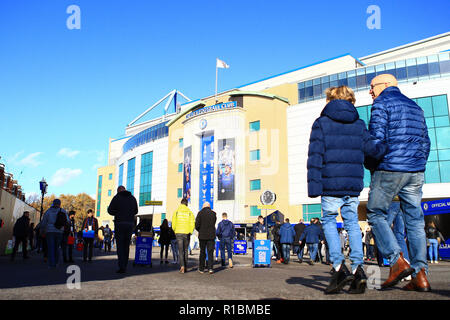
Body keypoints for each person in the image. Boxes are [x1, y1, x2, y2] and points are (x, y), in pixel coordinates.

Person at [307, 85, 387, 294]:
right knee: (352, 223)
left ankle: (338, 267)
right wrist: (386, 145)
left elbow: (315, 157)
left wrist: (314, 187)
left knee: (330, 222)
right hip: (352, 186)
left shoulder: (321, 123)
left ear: (329, 100)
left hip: (330, 184)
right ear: (351, 101)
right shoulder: (359, 124)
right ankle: (359, 269)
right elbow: (373, 149)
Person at [366, 74, 431, 292]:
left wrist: (371, 163)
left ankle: (397, 262)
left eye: (372, 87)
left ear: (384, 85)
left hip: (390, 167)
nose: (370, 91)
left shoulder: (381, 103)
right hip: (415, 170)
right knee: (414, 221)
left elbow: (376, 140)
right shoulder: (416, 107)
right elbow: (426, 141)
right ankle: (420, 275)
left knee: (375, 213)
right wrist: (419, 163)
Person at [107, 185, 138, 273]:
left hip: (120, 223)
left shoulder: (116, 197)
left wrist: (117, 213)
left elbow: (110, 210)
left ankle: (122, 266)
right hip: (129, 224)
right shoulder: (132, 198)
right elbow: (136, 211)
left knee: (120, 246)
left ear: (118, 191)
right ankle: (125, 264)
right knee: (126, 245)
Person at [40, 199, 68, 268]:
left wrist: (42, 229)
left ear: (53, 203)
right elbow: (67, 221)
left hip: (49, 231)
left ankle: (51, 264)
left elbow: (44, 222)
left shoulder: (48, 211)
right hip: (59, 231)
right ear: (59, 204)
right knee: (57, 247)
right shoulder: (63, 211)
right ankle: (56, 262)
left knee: (50, 247)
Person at [172, 198, 195, 274]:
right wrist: (190, 231)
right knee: (185, 250)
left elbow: (173, 223)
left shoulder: (176, 211)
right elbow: (192, 223)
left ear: (181, 203)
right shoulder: (190, 212)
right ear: (186, 204)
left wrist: (175, 230)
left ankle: (182, 266)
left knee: (180, 251)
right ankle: (185, 266)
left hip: (178, 233)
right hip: (186, 233)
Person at [195, 202, 217, 274]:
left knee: (202, 252)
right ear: (209, 206)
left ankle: (201, 268)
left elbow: (197, 225)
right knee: (210, 252)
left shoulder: (200, 213)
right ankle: (210, 268)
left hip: (202, 236)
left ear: (203, 206)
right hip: (211, 236)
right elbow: (213, 223)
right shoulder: (213, 214)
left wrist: (200, 230)